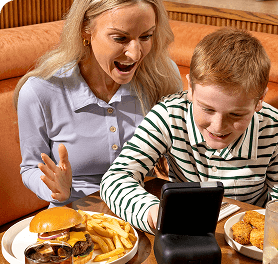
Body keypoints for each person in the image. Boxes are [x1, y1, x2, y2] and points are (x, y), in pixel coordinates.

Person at [100, 28, 278, 234]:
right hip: (183, 236)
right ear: (190, 88)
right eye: (207, 109)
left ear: (259, 100)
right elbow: (115, 179)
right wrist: (153, 212)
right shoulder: (169, 116)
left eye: (236, 115)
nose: (217, 127)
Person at [14, 0, 182, 208]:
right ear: (86, 30)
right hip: (73, 217)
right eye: (120, 38)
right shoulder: (40, 90)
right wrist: (53, 189)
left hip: (144, 211)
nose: (136, 53)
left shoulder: (163, 77)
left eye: (146, 36)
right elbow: (30, 167)